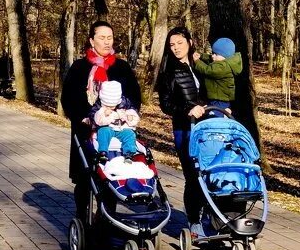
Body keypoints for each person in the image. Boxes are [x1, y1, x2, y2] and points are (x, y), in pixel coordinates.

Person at [61, 20, 142, 185]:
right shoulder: (79, 67)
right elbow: (68, 98)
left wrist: (128, 114)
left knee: (111, 175)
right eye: (102, 37)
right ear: (92, 40)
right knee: (85, 179)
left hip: (115, 130)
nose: (107, 42)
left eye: (110, 38)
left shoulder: (121, 67)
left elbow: (134, 96)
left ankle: (105, 211)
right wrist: (83, 118)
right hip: (85, 130)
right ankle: (82, 211)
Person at [155, 26, 209, 226]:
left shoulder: (201, 65)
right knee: (193, 175)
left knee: (210, 173)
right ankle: (194, 221)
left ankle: (212, 216)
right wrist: (188, 109)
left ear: (190, 42)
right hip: (185, 129)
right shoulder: (169, 72)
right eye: (172, 45)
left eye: (180, 43)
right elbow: (166, 105)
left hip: (209, 127)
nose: (176, 48)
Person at [88, 80, 141, 159]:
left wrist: (130, 116)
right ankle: (103, 151)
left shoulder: (125, 102)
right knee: (103, 132)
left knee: (130, 134)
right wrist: (102, 114)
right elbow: (93, 115)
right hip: (108, 127)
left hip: (122, 128)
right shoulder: (99, 105)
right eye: (107, 105)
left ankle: (129, 152)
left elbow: (133, 111)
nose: (111, 107)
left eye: (113, 105)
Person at [194, 37, 243, 111]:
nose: (213, 56)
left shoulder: (223, 67)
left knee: (216, 115)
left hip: (220, 100)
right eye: (213, 53)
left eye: (215, 54)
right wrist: (201, 56)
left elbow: (208, 70)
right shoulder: (224, 60)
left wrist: (197, 61)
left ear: (225, 56)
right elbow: (210, 58)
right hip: (219, 98)